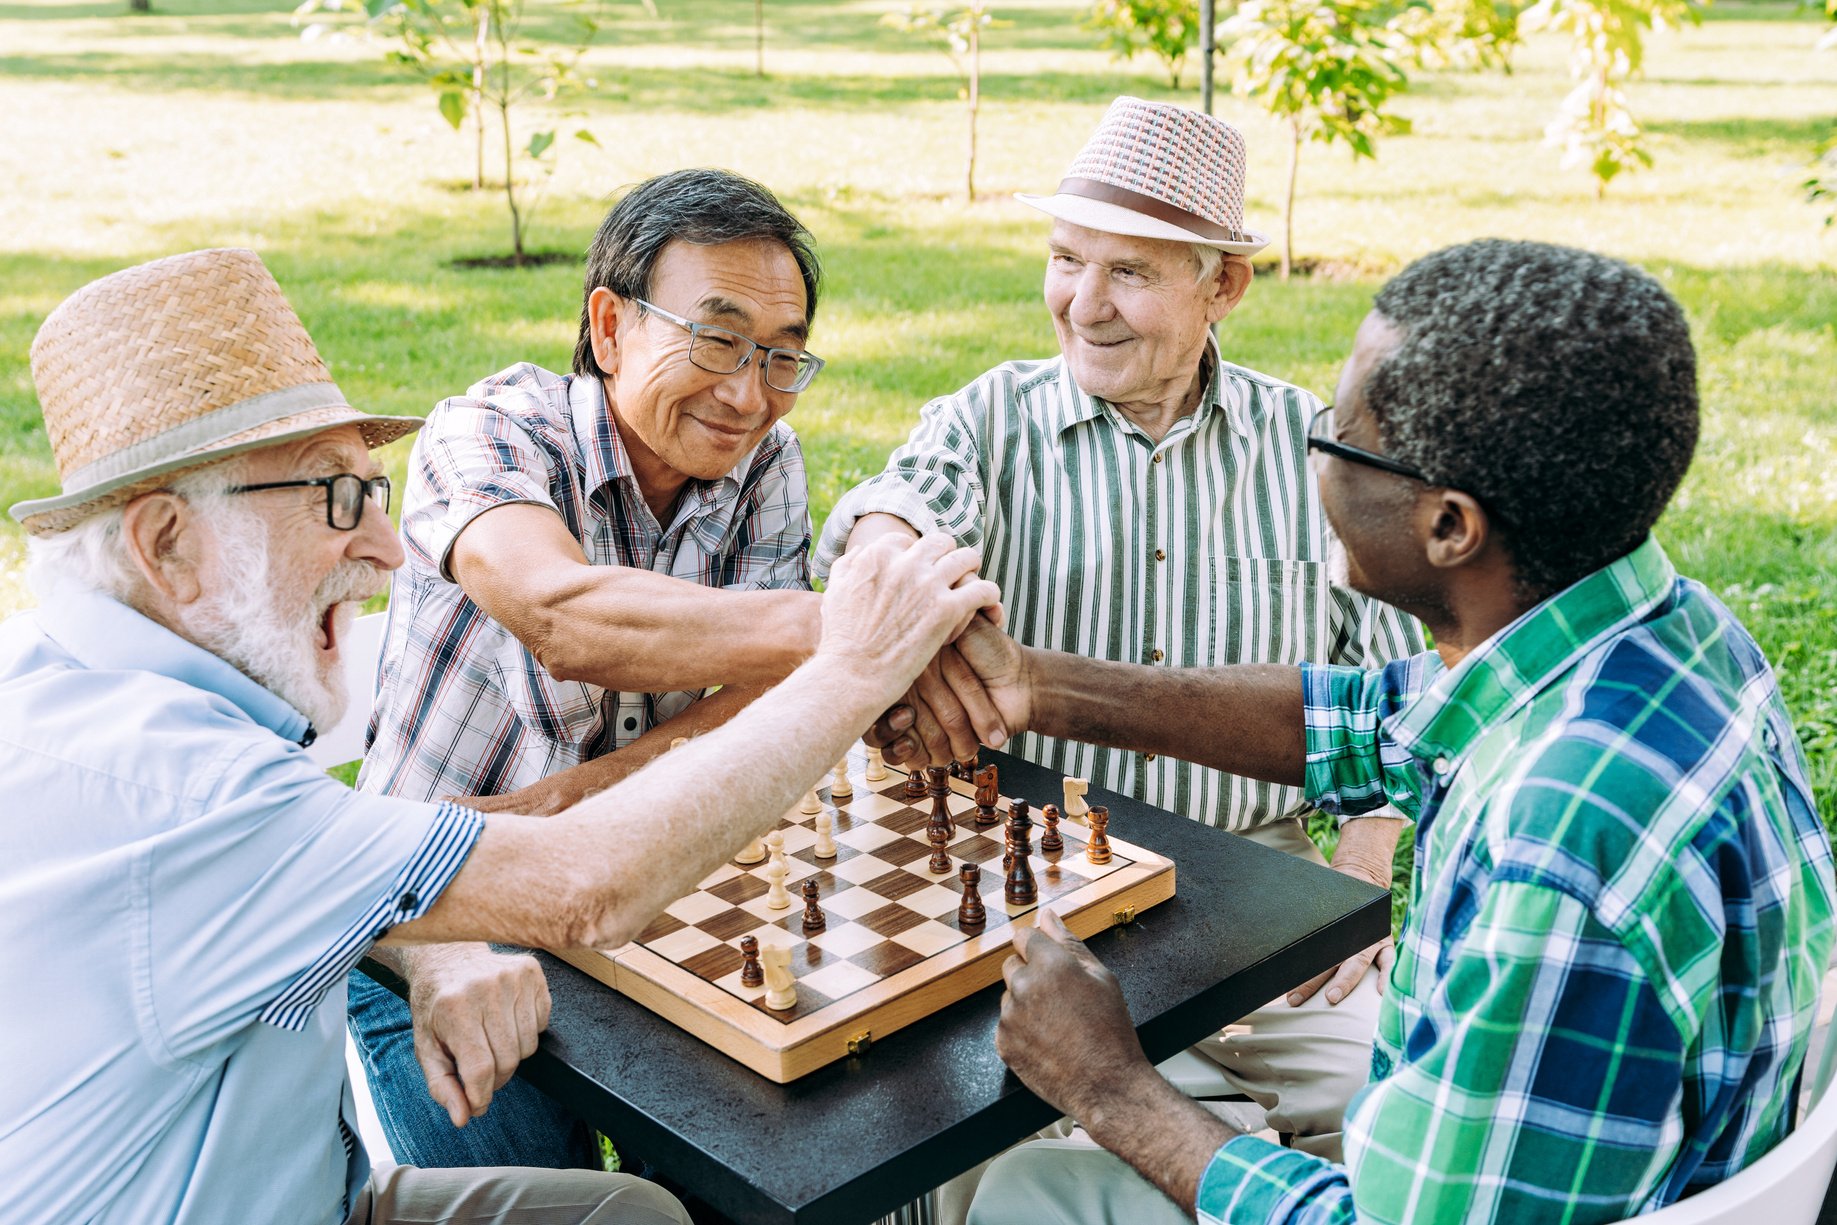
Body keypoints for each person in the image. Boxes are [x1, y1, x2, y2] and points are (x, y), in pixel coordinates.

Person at [0, 247, 1000, 1225]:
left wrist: (425, 944)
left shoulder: (87, 697)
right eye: (334, 495)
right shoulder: (175, 787)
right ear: (168, 543)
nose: (389, 548)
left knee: (634, 1210)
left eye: (371, 493)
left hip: (333, 1169)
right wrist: (854, 659)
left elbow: (267, 885)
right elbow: (584, 883)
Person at [936, 239, 1836, 1224]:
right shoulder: (1666, 634)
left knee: (1022, 1192)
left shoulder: (1556, 842)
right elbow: (1359, 720)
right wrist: (1032, 684)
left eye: (1339, 437)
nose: (1312, 456)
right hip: (1632, 1168)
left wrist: (1109, 1085)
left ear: (1449, 527)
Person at [817, 96, 1424, 1180]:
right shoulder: (986, 421)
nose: (1083, 304)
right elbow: (897, 507)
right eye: (1065, 259)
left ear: (1222, 286)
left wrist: (1365, 861)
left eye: (1129, 272)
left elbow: (1400, 681)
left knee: (1388, 1115)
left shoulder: (1308, 448)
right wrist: (885, 549)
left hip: (1260, 882)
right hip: (1027, 878)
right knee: (992, 1148)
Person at [349, 168, 843, 1170]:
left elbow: (762, 700)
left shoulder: (765, 462)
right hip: (434, 917)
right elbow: (561, 615)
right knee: (554, 1205)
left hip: (654, 890)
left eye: (781, 356)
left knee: (764, 1177)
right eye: (717, 339)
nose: (747, 394)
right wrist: (850, 629)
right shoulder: (488, 429)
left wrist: (557, 810)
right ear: (610, 328)